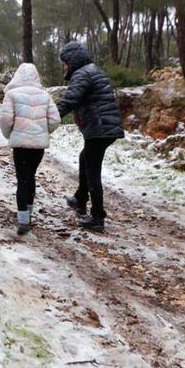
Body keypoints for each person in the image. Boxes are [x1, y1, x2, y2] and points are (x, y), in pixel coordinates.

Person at [56, 41, 125, 233]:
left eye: (65, 62)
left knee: (92, 171)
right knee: (84, 158)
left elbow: (70, 99)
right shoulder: (91, 70)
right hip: (103, 127)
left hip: (99, 128)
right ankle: (80, 198)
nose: (64, 66)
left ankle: (97, 217)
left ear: (73, 60)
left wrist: (50, 117)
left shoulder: (82, 74)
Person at [0, 63, 61, 235]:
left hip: (20, 145)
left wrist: (9, 134)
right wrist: (43, 131)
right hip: (38, 147)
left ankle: (23, 221)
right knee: (30, 177)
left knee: (22, 179)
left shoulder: (11, 95)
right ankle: (29, 213)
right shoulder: (45, 95)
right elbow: (55, 120)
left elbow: (5, 120)